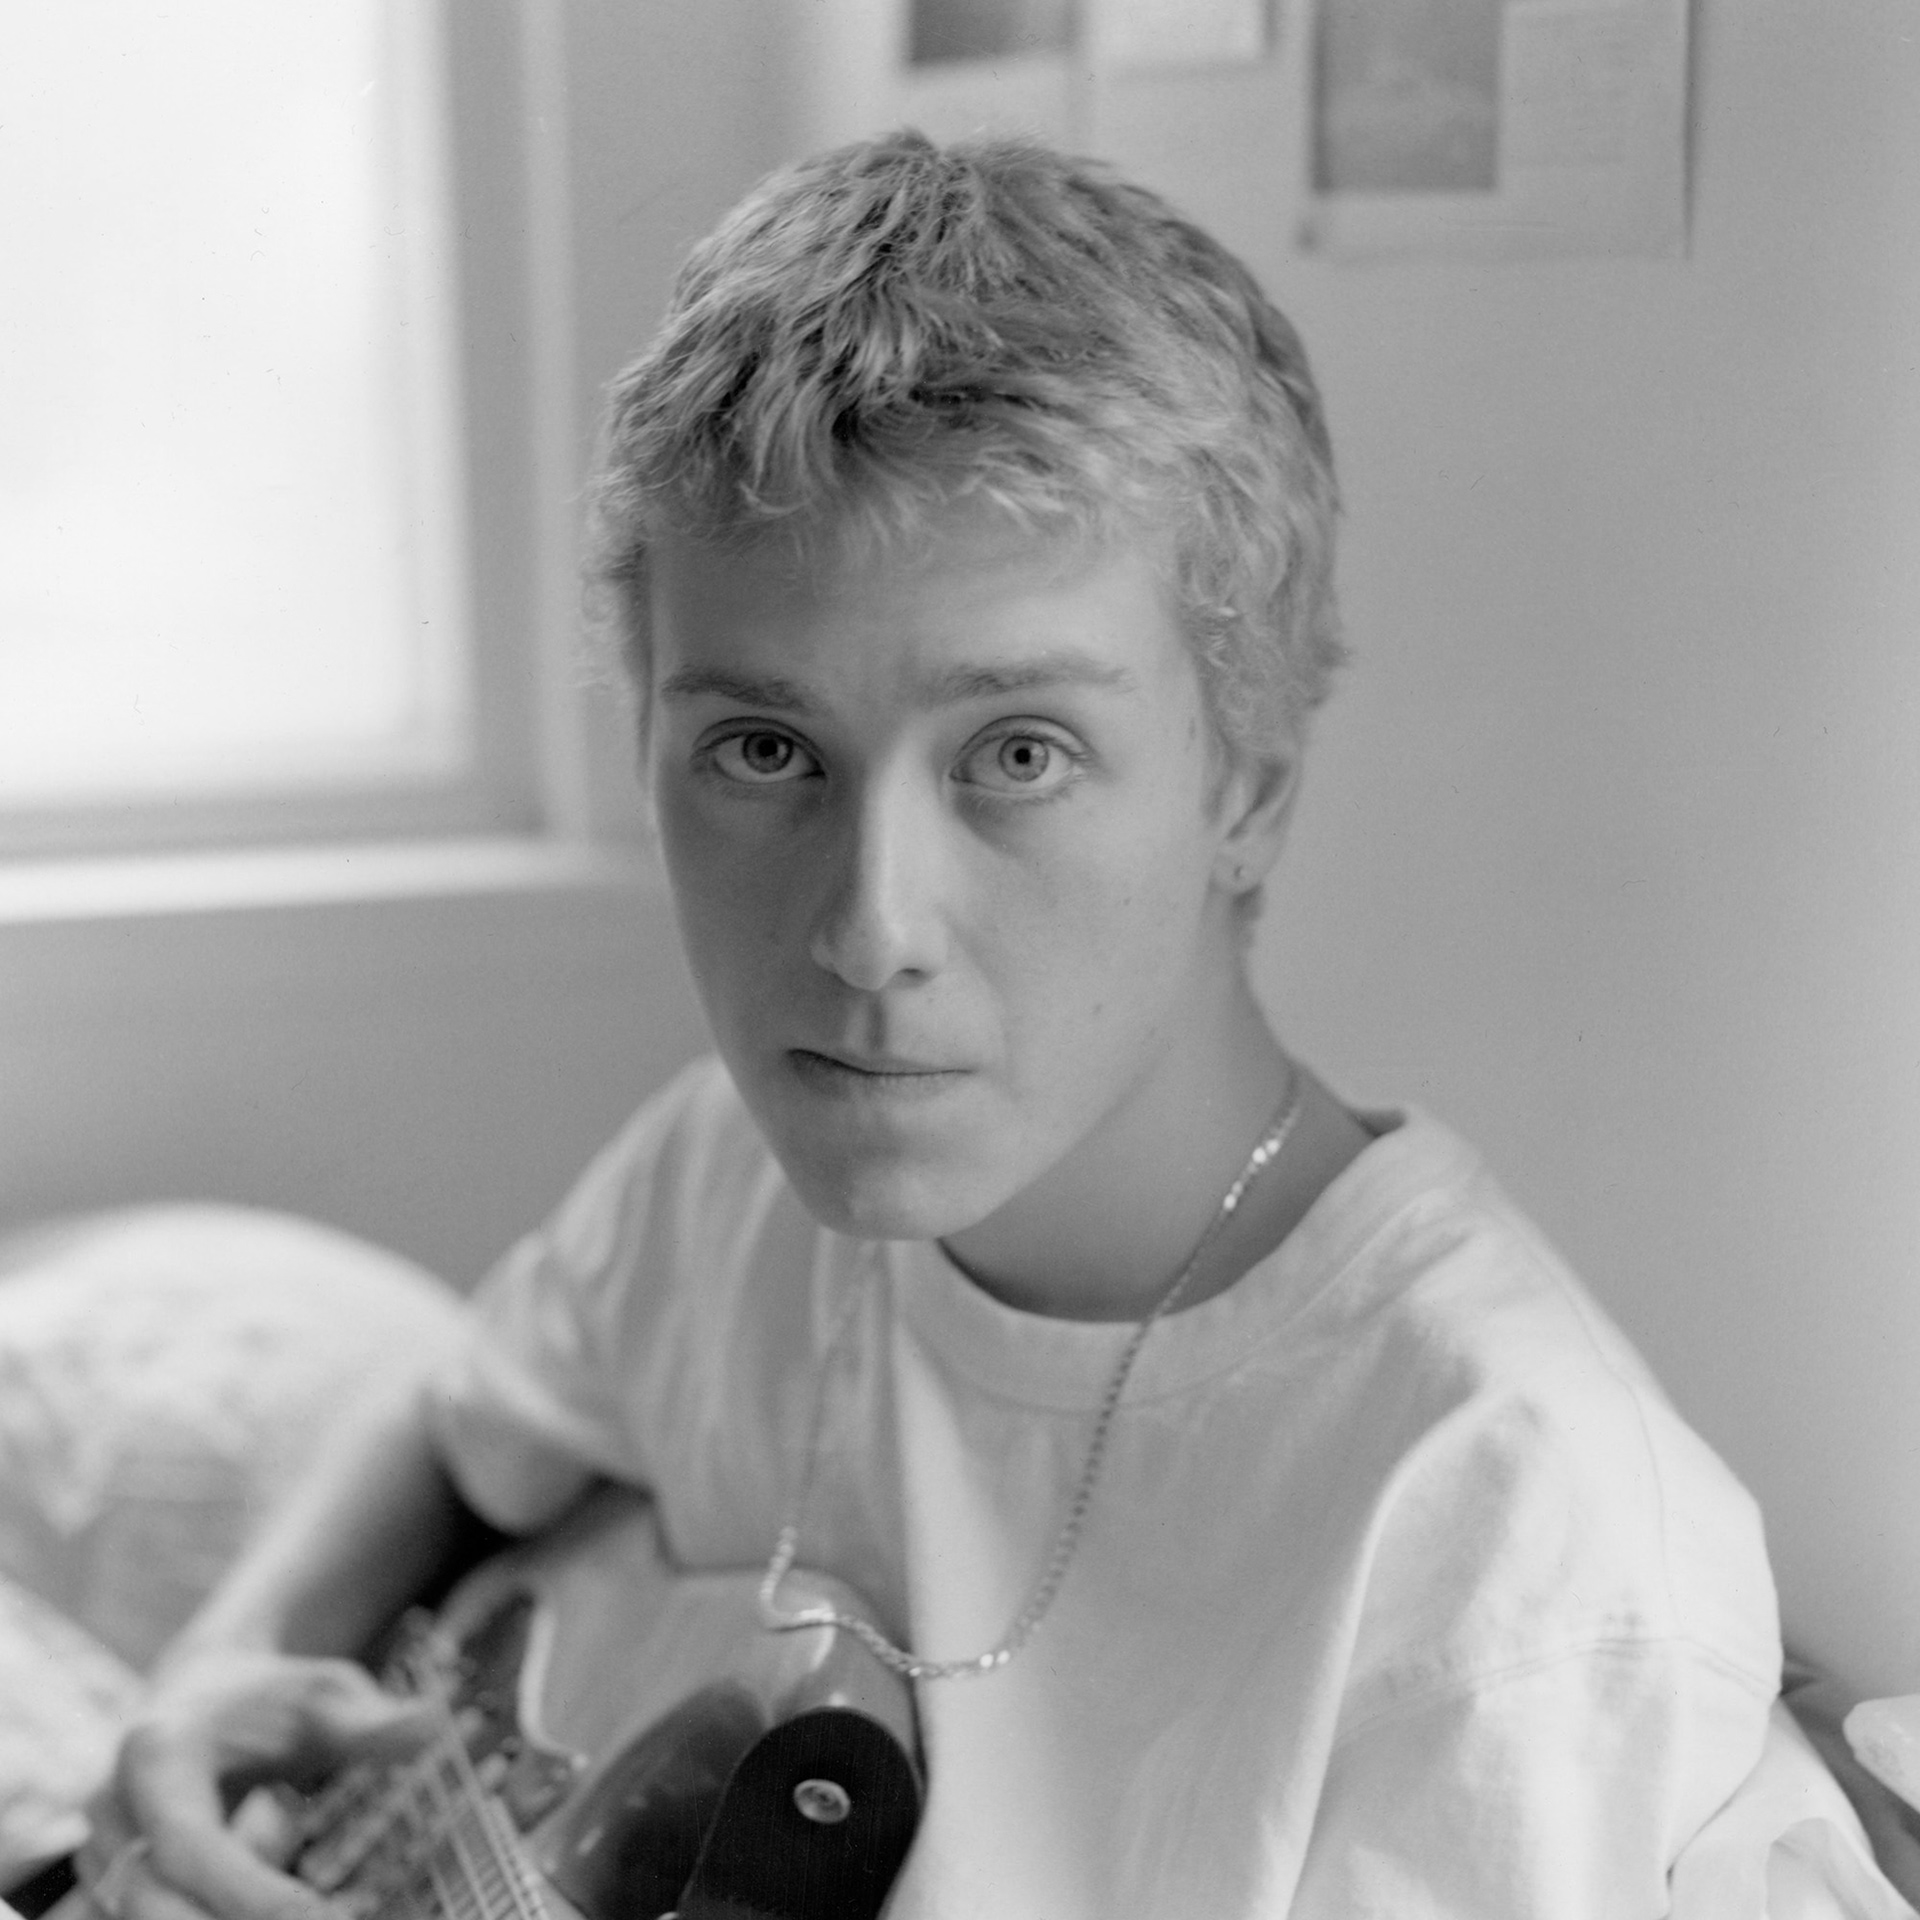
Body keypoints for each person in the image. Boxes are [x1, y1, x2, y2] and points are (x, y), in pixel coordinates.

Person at [79, 132, 1793, 1918]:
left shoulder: (1506, 1561)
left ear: (1248, 792)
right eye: (764, 751)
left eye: (1019, 755)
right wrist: (229, 1654)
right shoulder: (728, 1167)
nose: (870, 932)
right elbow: (464, 1425)